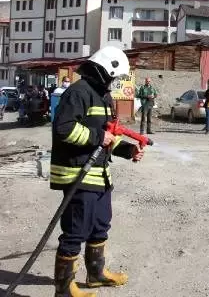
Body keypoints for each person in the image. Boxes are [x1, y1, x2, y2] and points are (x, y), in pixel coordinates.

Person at [50, 46, 144, 297]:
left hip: (99, 174)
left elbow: (106, 136)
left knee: (100, 224)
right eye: (113, 77)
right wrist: (97, 136)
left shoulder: (102, 96)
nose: (114, 82)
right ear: (103, 70)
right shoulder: (78, 92)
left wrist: (127, 151)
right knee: (75, 231)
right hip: (77, 173)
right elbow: (63, 129)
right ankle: (64, 289)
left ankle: (95, 274)